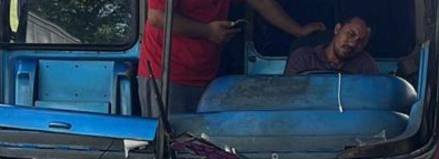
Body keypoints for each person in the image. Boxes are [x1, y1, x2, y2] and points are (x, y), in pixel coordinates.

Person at [139, 0, 325, 116]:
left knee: (202, 150)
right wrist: (208, 31)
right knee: (170, 151)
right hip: (166, 75)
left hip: (207, 74)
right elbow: (157, 17)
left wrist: (297, 30)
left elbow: (261, 3)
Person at [285, 16, 378, 75]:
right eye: (351, 34)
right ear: (337, 29)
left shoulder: (365, 64)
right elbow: (288, 96)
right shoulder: (303, 57)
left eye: (360, 41)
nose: (353, 44)